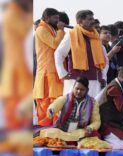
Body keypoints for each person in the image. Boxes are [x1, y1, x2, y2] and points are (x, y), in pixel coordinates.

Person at [54, 10, 108, 97]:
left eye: (93, 18)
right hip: (75, 81)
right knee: (73, 108)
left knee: (91, 108)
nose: (93, 21)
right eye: (89, 19)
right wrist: (62, 73)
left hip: (94, 81)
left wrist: (103, 77)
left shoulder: (95, 36)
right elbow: (59, 53)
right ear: (80, 21)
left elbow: (104, 60)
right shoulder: (72, 34)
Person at [0, 0, 33, 129]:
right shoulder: (11, 14)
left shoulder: (21, 13)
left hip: (24, 72)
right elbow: (26, 30)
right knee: (14, 117)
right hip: (15, 73)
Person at [38, 77, 101, 142]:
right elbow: (56, 104)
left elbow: (96, 121)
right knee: (45, 133)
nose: (78, 91)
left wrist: (90, 128)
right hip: (62, 131)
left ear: (87, 90)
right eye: (77, 88)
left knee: (95, 136)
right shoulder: (66, 98)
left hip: (80, 132)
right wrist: (51, 110)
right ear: (73, 87)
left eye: (82, 90)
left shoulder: (93, 103)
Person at [33, 8, 65, 127]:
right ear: (46, 18)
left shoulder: (52, 29)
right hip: (47, 72)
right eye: (55, 18)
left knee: (56, 101)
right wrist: (61, 30)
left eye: (58, 18)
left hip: (54, 71)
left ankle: (55, 130)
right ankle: (45, 131)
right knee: (46, 102)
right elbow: (55, 44)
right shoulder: (41, 29)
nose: (57, 21)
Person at [99, 66, 123, 149]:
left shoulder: (119, 86)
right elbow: (121, 107)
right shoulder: (114, 88)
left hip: (116, 123)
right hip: (108, 125)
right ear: (122, 76)